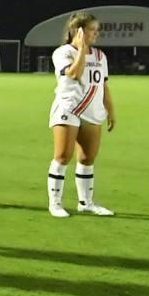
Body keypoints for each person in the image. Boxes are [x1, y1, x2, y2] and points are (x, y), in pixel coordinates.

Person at [49, 11, 115, 217]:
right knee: (63, 156)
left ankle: (86, 203)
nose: (96, 34)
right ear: (77, 31)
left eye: (97, 30)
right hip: (69, 108)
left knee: (87, 158)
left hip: (92, 111)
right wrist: (81, 50)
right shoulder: (63, 53)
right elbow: (74, 73)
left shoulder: (100, 56)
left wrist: (111, 110)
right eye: (91, 30)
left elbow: (103, 85)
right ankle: (56, 203)